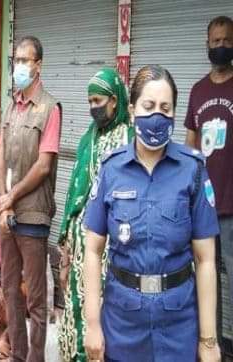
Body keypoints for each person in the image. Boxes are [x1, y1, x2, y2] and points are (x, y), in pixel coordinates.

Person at [83, 65, 220, 362]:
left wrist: (208, 341)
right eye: (148, 106)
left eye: (165, 108)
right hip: (122, 324)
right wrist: (92, 324)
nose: (157, 115)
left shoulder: (192, 170)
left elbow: (206, 259)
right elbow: (92, 250)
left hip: (178, 324)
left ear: (173, 113)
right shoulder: (111, 169)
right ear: (132, 111)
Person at [57, 67, 133, 362]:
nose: (93, 108)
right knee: (78, 314)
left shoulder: (130, 136)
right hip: (81, 247)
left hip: (114, 248)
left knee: (106, 316)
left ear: (115, 100)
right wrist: (64, 243)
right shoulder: (87, 139)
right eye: (89, 101)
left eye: (98, 100)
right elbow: (73, 193)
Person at [0, 35, 61, 362]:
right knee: (10, 293)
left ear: (38, 65)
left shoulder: (50, 108)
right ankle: (17, 357)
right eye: (16, 60)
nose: (19, 66)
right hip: (8, 217)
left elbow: (43, 166)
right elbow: (1, 157)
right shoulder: (11, 105)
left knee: (36, 302)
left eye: (25, 60)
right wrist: (2, 201)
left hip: (33, 216)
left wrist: (11, 197)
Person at [184, 16, 233, 308]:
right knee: (206, 278)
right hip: (204, 205)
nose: (221, 46)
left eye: (227, 40)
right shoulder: (198, 90)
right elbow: (190, 147)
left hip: (232, 206)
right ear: (207, 45)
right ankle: (208, 344)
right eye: (216, 41)